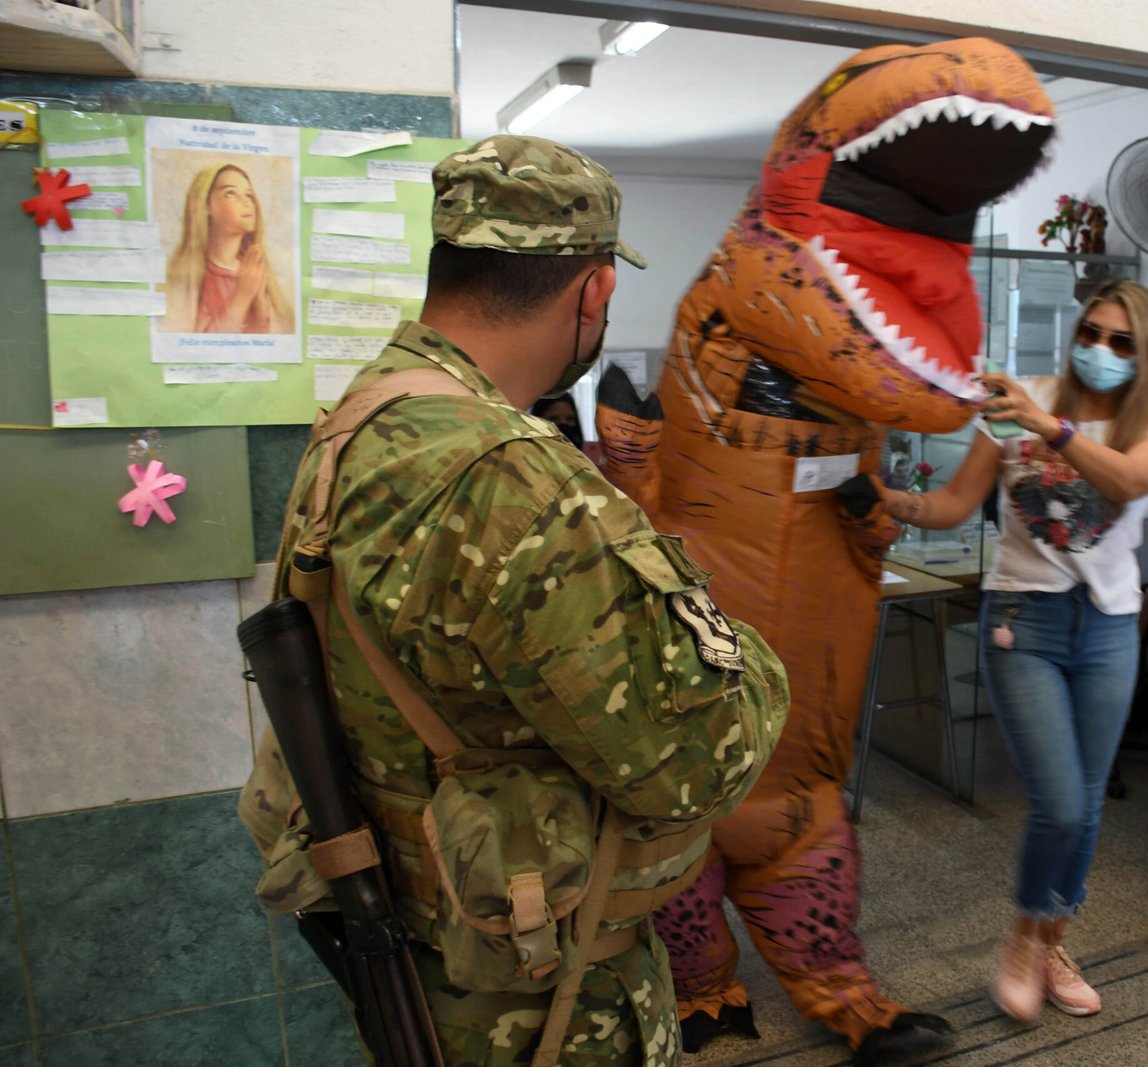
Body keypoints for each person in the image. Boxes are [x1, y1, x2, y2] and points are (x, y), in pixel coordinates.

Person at [239, 135, 788, 1066]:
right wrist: (747, 650)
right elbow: (703, 761)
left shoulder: (360, 422)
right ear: (595, 291)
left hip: (424, 953)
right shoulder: (518, 483)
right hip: (544, 1004)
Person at [886, 278, 1148, 1022]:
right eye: (1091, 332)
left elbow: (1133, 476)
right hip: (1024, 620)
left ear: (1144, 353)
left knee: (1085, 806)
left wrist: (1048, 427)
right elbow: (952, 505)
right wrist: (883, 497)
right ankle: (1025, 935)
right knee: (1057, 801)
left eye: (1121, 341)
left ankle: (1048, 938)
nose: (1100, 350)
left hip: (1111, 626)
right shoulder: (1022, 400)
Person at [162, 162, 295, 333]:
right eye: (230, 193)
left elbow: (270, 339)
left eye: (249, 195)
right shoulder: (189, 275)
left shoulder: (256, 270)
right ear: (206, 205)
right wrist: (243, 296)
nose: (246, 202)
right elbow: (198, 343)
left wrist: (260, 303)